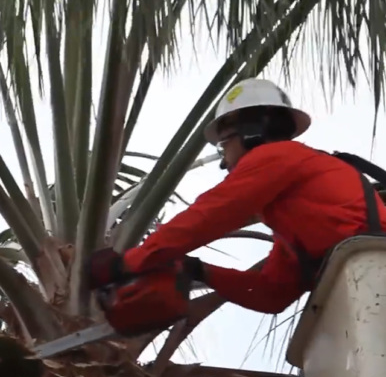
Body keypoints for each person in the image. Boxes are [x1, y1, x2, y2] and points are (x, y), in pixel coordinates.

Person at [87, 78, 386, 316]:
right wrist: (199, 270)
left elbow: (211, 214)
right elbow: (271, 294)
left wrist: (126, 263)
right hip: (364, 285)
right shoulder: (297, 228)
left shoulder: (277, 156)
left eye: (224, 144)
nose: (223, 161)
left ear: (252, 131)